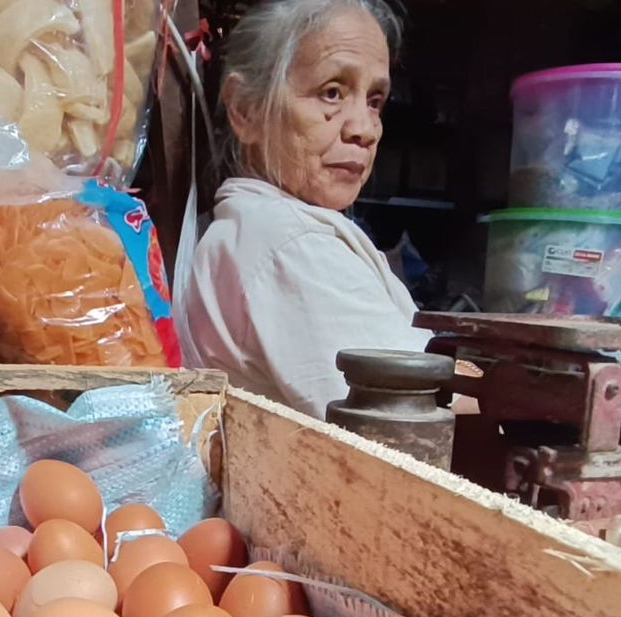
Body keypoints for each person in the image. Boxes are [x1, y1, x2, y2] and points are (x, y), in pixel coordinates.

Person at [173, 0, 431, 419]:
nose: (364, 129)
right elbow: (412, 422)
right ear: (245, 110)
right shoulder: (292, 244)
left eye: (375, 100)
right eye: (332, 92)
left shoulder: (253, 227)